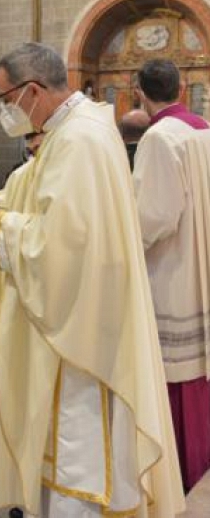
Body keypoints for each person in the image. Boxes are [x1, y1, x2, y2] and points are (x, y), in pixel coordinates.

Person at [0, 43, 185, 517]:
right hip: (78, 322)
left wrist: (4, 230)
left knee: (79, 457)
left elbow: (68, 243)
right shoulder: (74, 129)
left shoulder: (80, 141)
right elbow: (22, 193)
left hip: (81, 337)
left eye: (4, 98)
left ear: (32, 91)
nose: (3, 110)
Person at [133, 59, 210, 492]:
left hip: (174, 266)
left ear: (140, 92)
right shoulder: (202, 126)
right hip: (200, 255)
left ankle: (176, 470)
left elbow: (154, 216)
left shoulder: (159, 137)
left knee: (177, 373)